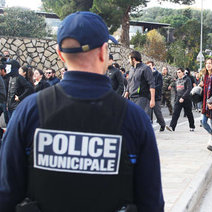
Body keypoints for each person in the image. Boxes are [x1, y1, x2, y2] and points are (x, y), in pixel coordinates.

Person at [0, 11, 164, 212]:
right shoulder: (134, 118)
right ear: (104, 52)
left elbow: (6, 193)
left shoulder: (29, 111)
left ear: (60, 55)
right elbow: (152, 203)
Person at [124, 51, 155, 117]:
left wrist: (152, 99)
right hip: (132, 98)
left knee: (140, 119)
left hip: (142, 98)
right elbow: (129, 82)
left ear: (133, 59)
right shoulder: (131, 69)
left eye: (129, 59)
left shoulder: (145, 68)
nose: (129, 61)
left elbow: (151, 84)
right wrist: (126, 94)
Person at [146, 61, 166, 132]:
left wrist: (152, 88)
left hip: (156, 96)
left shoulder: (158, 75)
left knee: (157, 112)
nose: (148, 67)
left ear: (153, 66)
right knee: (148, 112)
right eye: (147, 66)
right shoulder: (146, 74)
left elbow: (160, 85)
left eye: (150, 65)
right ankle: (149, 126)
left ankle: (162, 124)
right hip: (148, 96)